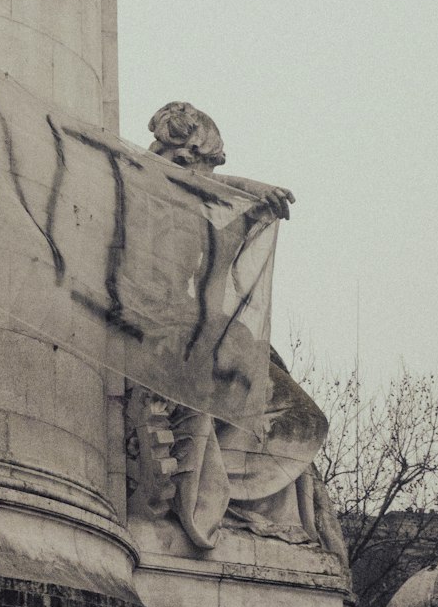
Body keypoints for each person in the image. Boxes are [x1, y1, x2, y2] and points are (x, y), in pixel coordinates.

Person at [142, 102, 346, 561]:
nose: (214, 173)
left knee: (290, 399)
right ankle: (248, 508)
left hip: (199, 329)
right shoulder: (157, 190)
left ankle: (264, 511)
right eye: (209, 162)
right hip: (177, 333)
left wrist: (249, 203)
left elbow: (213, 281)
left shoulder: (187, 201)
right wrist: (250, 188)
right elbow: (190, 185)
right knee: (302, 418)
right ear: (188, 157)